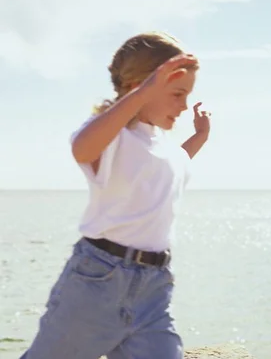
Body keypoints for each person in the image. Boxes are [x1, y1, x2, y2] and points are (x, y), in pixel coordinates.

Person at [20, 32, 211, 358]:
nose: (183, 105)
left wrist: (200, 137)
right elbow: (82, 148)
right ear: (141, 86)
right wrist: (139, 96)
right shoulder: (113, 135)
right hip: (99, 282)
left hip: (154, 288)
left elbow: (168, 169)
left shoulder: (159, 144)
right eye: (177, 94)